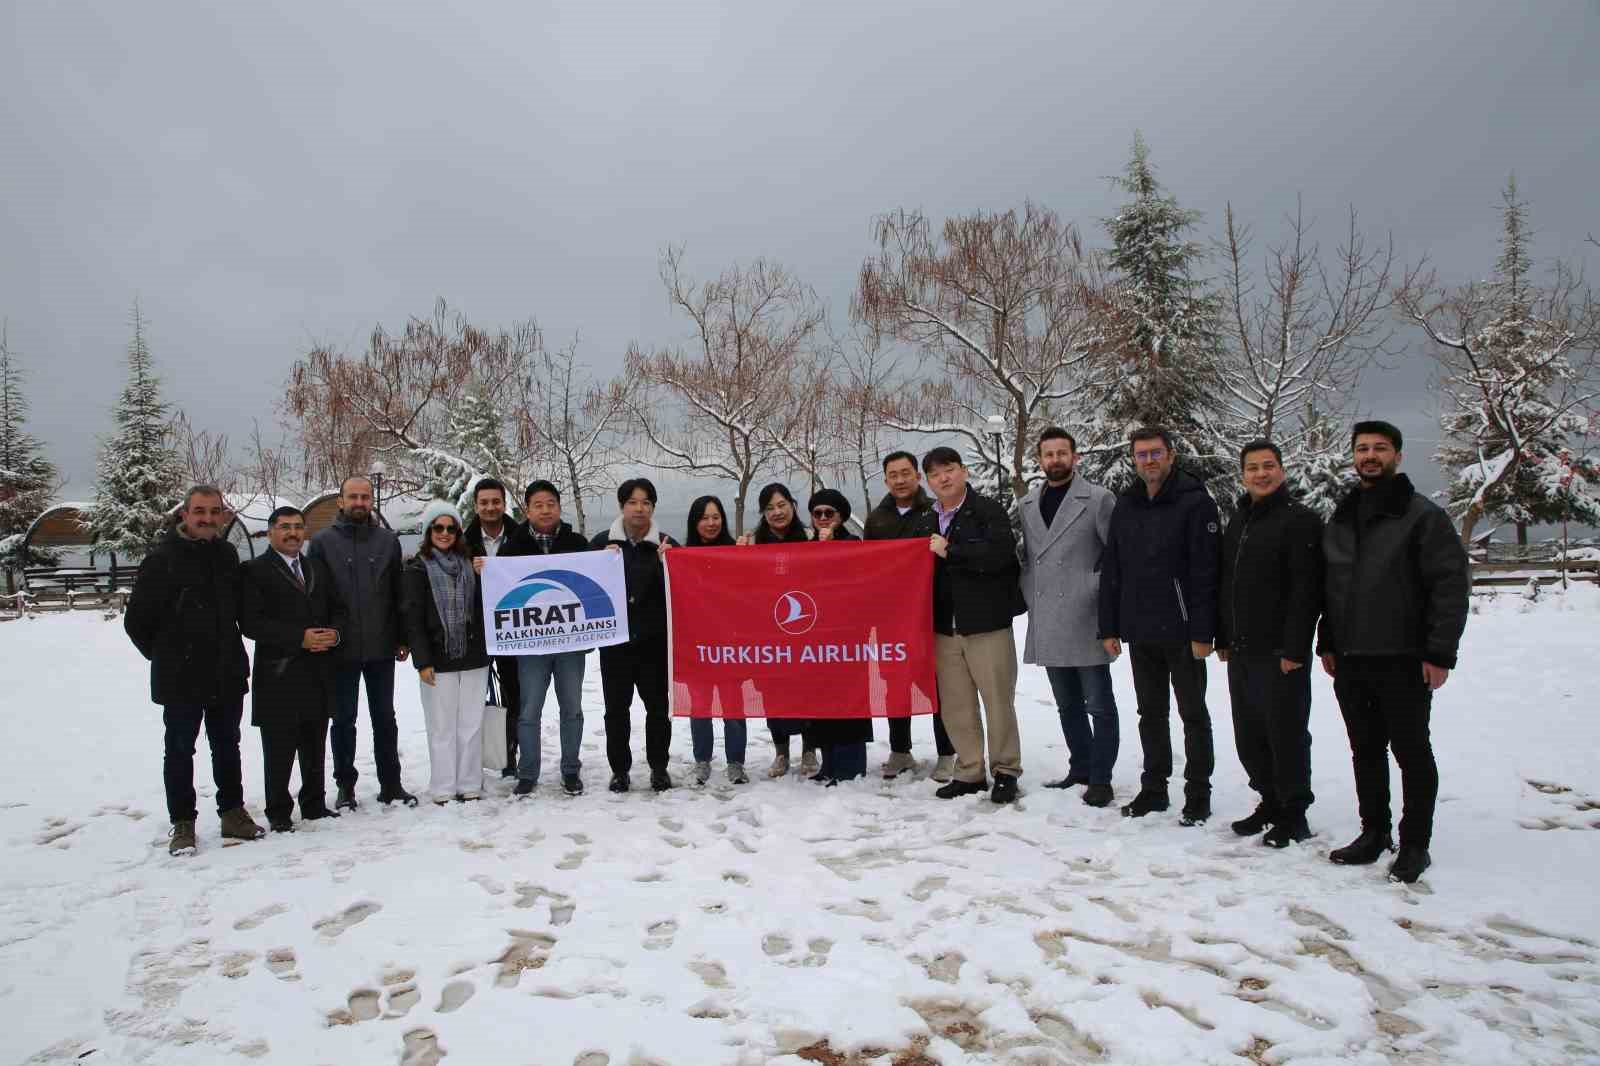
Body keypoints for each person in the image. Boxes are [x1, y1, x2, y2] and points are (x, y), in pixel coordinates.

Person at [1317, 421, 1469, 883]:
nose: (1370, 455)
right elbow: (1332, 587)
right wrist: (1327, 640)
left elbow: (1449, 586)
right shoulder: (1342, 517)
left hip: (1403, 656)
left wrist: (1440, 652)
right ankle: (1374, 832)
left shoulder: (1421, 516)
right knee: (1364, 749)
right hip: (1351, 657)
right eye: (1362, 448)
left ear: (1397, 456)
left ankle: (1415, 843)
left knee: (1410, 751)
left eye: (1380, 448)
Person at [125, 485, 264, 855]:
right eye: (199, 511)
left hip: (225, 670)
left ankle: (232, 811)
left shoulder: (227, 555)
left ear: (222, 516)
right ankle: (183, 822)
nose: (206, 518)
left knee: (227, 745)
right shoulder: (162, 560)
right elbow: (137, 622)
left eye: (214, 512)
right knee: (180, 749)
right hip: (181, 676)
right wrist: (168, 656)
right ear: (184, 514)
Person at [1098, 427, 1220, 826]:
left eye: (1155, 453)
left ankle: (1198, 793)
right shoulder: (1127, 504)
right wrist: (1109, 625)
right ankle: (1154, 788)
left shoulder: (1194, 502)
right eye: (1141, 455)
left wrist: (1204, 632)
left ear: (1171, 455)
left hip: (1184, 631)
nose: (1148, 461)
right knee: (1150, 713)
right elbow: (1113, 568)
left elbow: (1206, 572)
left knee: (1193, 714)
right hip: (1140, 628)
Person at [1215, 441, 1323, 848]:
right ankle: (1269, 800)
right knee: (1250, 733)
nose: (1261, 474)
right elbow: (1228, 583)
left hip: (1280, 653)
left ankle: (1294, 812)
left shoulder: (1299, 521)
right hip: (1241, 650)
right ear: (1243, 474)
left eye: (1268, 466)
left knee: (1286, 732)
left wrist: (1295, 648)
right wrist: (1223, 636)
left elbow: (1305, 591)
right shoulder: (1239, 520)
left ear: (1281, 469)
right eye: (1253, 468)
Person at [913, 447, 1026, 804]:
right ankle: (970, 770)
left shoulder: (988, 511)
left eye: (949, 470)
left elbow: (1000, 555)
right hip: (944, 629)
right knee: (957, 705)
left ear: (964, 471)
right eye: (934, 474)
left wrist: (952, 551)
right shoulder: (925, 519)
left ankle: (1006, 770)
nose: (943, 479)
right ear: (927, 482)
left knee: (997, 701)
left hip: (986, 624)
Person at [1018, 428, 1120, 807]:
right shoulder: (1027, 503)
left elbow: (1115, 556)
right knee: (1067, 704)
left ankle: (1101, 776)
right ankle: (1080, 765)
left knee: (1099, 704)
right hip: (1048, 615)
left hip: (1086, 613)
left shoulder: (1097, 499)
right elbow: (1031, 557)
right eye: (1048, 454)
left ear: (1075, 457)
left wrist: (1099, 593)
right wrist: (1030, 590)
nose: (1055, 460)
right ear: (1040, 460)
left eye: (1062, 453)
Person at [306, 476, 417, 810]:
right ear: (340, 501)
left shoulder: (388, 541)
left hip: (381, 646)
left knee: (385, 717)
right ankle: (345, 786)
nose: (359, 502)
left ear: (372, 502)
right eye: (352, 496)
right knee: (343, 719)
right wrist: (322, 634)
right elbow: (317, 596)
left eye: (365, 497)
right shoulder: (323, 543)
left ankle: (391, 783)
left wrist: (402, 637)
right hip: (341, 648)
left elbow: (398, 594)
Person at [238, 505, 346, 832]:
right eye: (285, 527)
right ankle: (279, 811)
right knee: (279, 748)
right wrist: (298, 638)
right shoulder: (254, 571)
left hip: (317, 671)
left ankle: (314, 803)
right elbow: (251, 622)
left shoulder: (317, 568)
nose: (293, 533)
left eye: (298, 527)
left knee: (314, 743)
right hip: (280, 673)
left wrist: (335, 633)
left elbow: (338, 608)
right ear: (270, 532)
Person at [491, 480, 592, 798]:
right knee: (529, 709)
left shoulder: (578, 542)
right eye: (538, 504)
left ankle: (571, 770)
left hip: (570, 645)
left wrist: (610, 556)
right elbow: (499, 592)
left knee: (572, 708)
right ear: (528, 510)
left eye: (551, 503)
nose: (545, 510)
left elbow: (593, 585)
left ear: (559, 507)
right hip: (531, 647)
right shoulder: (511, 547)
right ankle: (528, 772)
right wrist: (486, 569)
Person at [864, 450, 956, 781]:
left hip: (931, 613)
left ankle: (947, 753)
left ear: (918, 476)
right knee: (895, 685)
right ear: (886, 479)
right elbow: (868, 567)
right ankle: (900, 750)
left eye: (906, 473)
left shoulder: (934, 511)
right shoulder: (876, 519)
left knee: (938, 685)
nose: (900, 480)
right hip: (892, 617)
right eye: (893, 475)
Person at [592, 478, 678, 792]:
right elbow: (587, 591)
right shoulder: (602, 542)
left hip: (655, 644)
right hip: (615, 646)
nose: (639, 508)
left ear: (653, 507)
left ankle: (659, 767)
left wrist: (668, 564)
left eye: (646, 502)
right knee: (616, 711)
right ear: (621, 506)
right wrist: (600, 562)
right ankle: (620, 770)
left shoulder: (667, 544)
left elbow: (682, 592)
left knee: (657, 710)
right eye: (632, 502)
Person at [402, 502, 491, 803]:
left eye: (450, 528)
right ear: (429, 532)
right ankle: (442, 786)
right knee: (441, 725)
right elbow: (412, 618)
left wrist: (485, 575)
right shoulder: (417, 568)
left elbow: (486, 607)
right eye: (438, 528)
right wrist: (422, 661)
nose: (444, 533)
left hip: (474, 655)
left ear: (458, 532)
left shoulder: (471, 564)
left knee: (471, 722)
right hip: (438, 659)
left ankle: (469, 783)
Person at [738, 482, 818, 778]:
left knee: (809, 691)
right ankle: (781, 752)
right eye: (770, 508)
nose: (777, 512)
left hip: (806, 627)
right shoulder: (753, 543)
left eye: (782, 504)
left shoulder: (810, 538)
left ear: (793, 506)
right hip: (768, 632)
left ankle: (810, 751)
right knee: (773, 693)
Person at [806, 488, 873, 784]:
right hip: (816, 637)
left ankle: (851, 764)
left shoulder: (852, 543)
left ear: (841, 517)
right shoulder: (805, 547)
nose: (822, 518)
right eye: (817, 513)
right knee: (821, 701)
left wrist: (831, 546)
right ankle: (828, 762)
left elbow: (855, 579)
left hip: (848, 636)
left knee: (849, 701)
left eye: (828, 513)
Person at [681, 495, 749, 785]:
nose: (711, 523)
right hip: (697, 645)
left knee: (733, 706)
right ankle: (702, 760)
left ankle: (736, 762)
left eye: (716, 517)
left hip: (731, 645)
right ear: (695, 523)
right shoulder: (682, 557)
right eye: (704, 518)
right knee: (700, 706)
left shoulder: (737, 553)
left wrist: (748, 557)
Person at [464, 477, 521, 779]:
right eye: (484, 502)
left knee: (514, 696)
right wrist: (469, 572)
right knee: (476, 699)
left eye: (495, 501)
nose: (490, 507)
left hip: (516, 631)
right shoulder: (462, 541)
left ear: (503, 503)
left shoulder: (522, 536)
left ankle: (510, 753)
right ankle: (475, 757)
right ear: (476, 506)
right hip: (478, 633)